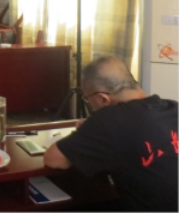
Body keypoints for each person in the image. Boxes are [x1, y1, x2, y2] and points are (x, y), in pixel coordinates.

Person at [44, 56, 179, 212]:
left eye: (88, 99)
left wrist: (93, 128)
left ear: (103, 98)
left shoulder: (108, 120)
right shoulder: (173, 107)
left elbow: (54, 160)